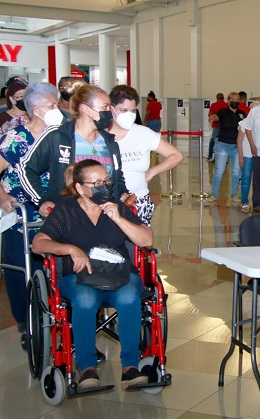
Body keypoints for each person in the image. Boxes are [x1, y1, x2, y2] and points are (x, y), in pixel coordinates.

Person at [32, 159, 153, 391]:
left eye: (106, 181)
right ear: (80, 188)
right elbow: (39, 243)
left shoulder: (117, 206)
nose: (103, 187)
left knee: (129, 297)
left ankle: (130, 366)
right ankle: (87, 367)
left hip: (118, 274)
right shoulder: (66, 211)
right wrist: (70, 249)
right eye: (95, 183)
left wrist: (118, 218)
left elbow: (147, 239)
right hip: (79, 276)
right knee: (86, 300)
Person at [0, 82, 60, 339]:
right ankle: (25, 321)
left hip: (53, 212)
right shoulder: (17, 138)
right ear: (37, 109)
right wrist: (2, 195)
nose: (58, 110)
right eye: (52, 106)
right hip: (21, 213)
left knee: (53, 268)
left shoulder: (60, 136)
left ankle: (55, 316)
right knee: (21, 268)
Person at [18, 83, 131, 217]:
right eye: (105, 107)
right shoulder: (58, 136)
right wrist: (42, 200)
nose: (109, 112)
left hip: (105, 217)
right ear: (86, 109)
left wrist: (123, 194)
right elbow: (25, 168)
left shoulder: (110, 142)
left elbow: (117, 177)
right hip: (69, 217)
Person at [108, 85, 184, 226]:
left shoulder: (143, 133)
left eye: (132, 110)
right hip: (108, 203)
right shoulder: (101, 135)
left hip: (138, 201)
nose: (129, 115)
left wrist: (152, 171)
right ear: (111, 108)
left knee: (139, 243)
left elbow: (176, 155)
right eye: (123, 110)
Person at [208, 91, 247, 203]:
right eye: (233, 99)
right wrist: (212, 117)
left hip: (236, 146)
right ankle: (214, 194)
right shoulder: (223, 112)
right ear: (228, 101)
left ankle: (234, 195)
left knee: (236, 171)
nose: (235, 101)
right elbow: (216, 116)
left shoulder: (242, 113)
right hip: (223, 145)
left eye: (237, 99)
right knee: (219, 170)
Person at [207, 92, 228, 161]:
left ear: (217, 98)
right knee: (224, 141)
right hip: (224, 127)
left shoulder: (214, 105)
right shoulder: (226, 105)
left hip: (216, 126)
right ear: (223, 98)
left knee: (213, 140)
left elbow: (210, 114)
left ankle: (210, 155)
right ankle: (225, 157)